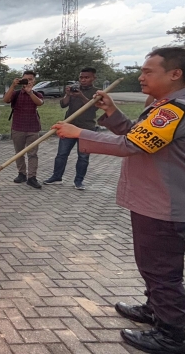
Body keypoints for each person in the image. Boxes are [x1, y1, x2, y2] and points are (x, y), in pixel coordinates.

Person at [52, 46, 185, 354]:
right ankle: (156, 310)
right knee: (156, 266)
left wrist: (76, 133)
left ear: (175, 73)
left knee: (161, 270)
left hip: (165, 206)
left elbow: (131, 145)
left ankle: (172, 334)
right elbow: (138, 135)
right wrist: (111, 111)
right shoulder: (164, 105)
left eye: (148, 71)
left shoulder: (174, 110)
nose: (141, 77)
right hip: (156, 202)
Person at [44, 67, 99, 190]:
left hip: (86, 129)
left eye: (87, 77)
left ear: (94, 78)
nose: (83, 80)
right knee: (61, 154)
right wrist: (68, 95)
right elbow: (63, 104)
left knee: (83, 157)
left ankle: (79, 181)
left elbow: (94, 107)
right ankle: (56, 177)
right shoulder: (75, 89)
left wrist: (81, 96)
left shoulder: (97, 92)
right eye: (81, 77)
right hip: (68, 127)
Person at [3, 71, 44, 189]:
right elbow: (6, 100)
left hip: (33, 128)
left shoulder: (37, 93)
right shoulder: (15, 94)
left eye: (30, 79)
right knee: (19, 153)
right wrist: (13, 85)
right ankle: (22, 174)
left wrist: (30, 92)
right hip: (18, 127)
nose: (28, 81)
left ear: (34, 81)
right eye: (25, 79)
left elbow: (39, 103)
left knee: (33, 154)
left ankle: (32, 177)